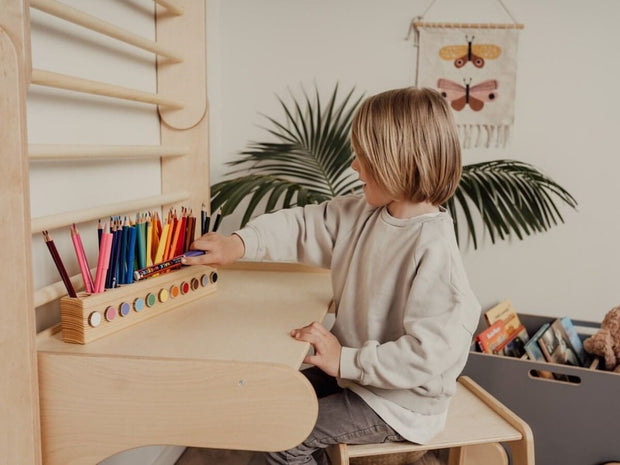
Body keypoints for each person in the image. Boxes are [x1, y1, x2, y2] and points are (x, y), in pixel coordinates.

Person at [182, 87, 481, 465]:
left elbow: (426, 356)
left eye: (364, 157)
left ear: (400, 162)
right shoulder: (361, 214)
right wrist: (238, 245)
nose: (355, 166)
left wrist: (345, 360)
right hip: (359, 375)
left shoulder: (435, 252)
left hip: (398, 401)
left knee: (284, 439)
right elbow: (303, 225)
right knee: (270, 401)